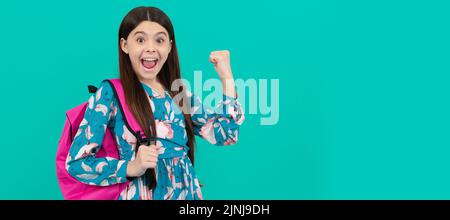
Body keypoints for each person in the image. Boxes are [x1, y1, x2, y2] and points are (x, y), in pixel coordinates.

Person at [65, 6, 245, 200]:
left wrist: (226, 76)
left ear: (169, 46)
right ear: (125, 45)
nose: (151, 48)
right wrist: (131, 167)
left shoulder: (178, 94)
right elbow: (76, 163)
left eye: (159, 40)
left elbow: (225, 134)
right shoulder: (111, 93)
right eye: (140, 39)